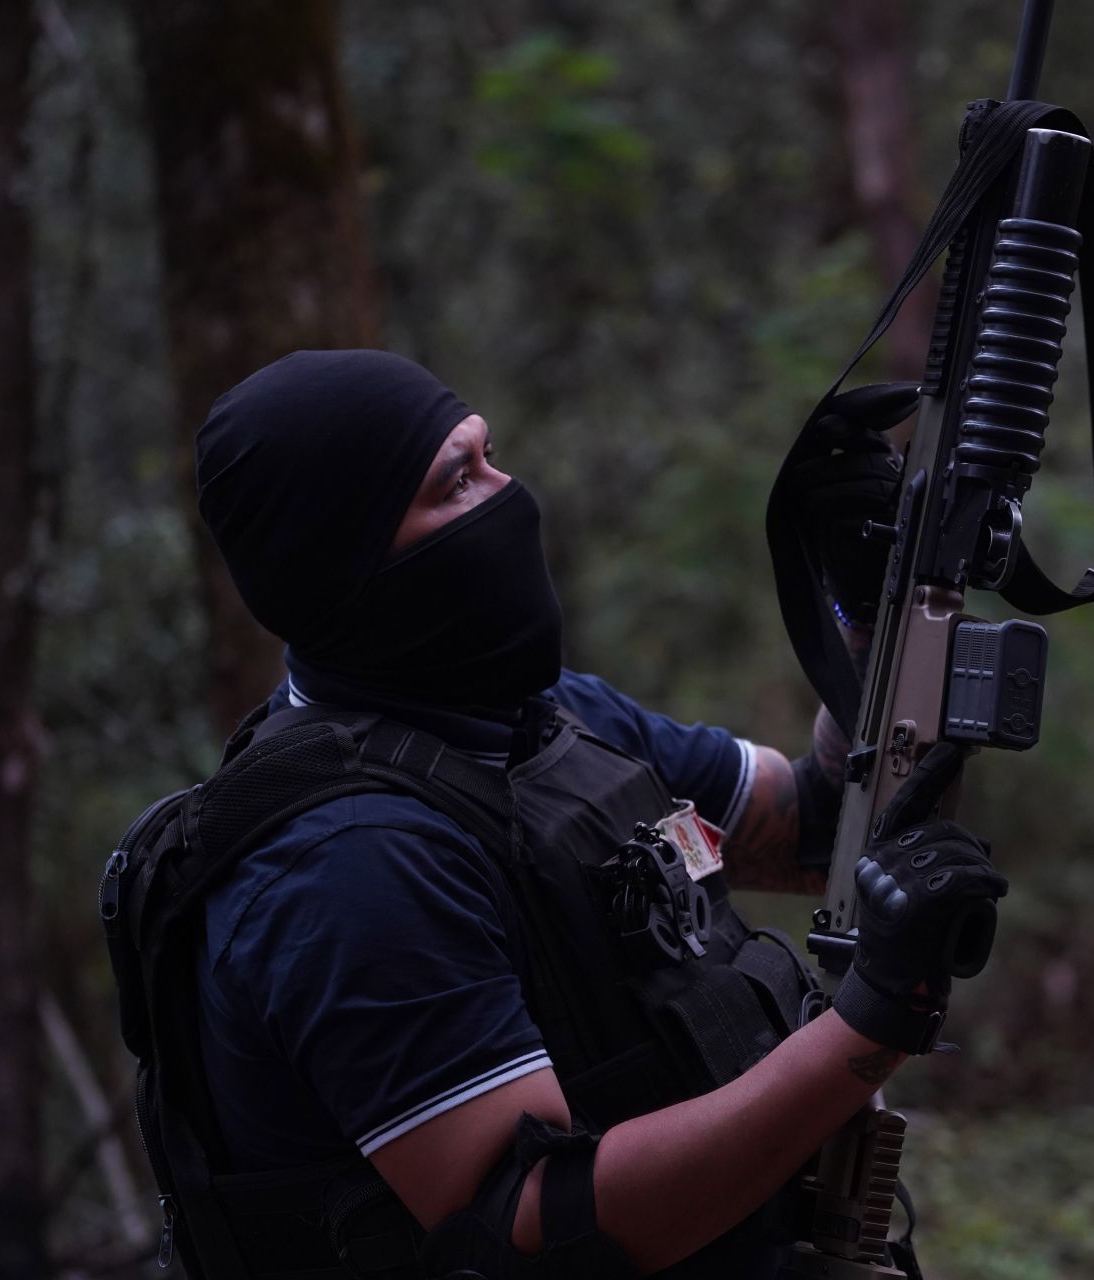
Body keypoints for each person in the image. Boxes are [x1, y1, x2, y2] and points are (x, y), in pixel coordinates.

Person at [136, 349, 1007, 1278]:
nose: (509, 494)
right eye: (456, 482)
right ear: (345, 560)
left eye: (489, 455)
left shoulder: (540, 715)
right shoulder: (346, 862)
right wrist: (867, 1026)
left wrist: (874, 612)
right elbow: (532, 1228)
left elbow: (814, 827)